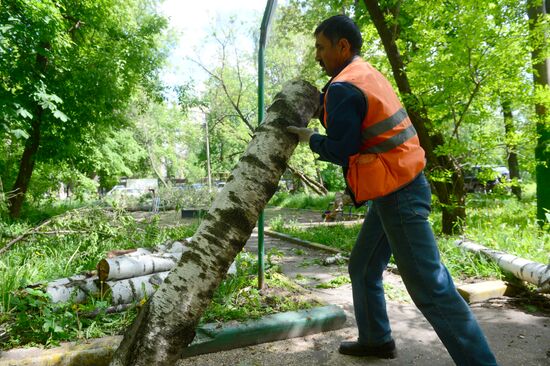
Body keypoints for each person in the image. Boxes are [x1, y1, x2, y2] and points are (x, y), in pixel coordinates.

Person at [287, 15, 498, 365]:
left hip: (398, 193)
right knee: (363, 267)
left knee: (431, 287)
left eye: (321, 48)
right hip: (397, 187)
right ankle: (376, 339)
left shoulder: (343, 87)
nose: (316, 57)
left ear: (343, 46)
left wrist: (311, 139)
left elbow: (342, 148)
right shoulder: (366, 73)